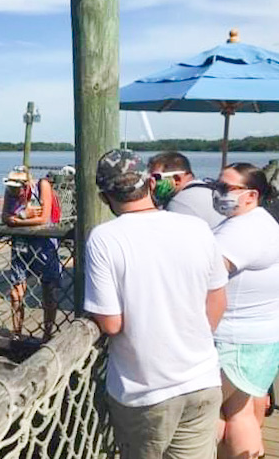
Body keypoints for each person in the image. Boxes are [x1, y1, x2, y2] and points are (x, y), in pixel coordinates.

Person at [85, 149, 228, 459]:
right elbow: (217, 297)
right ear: (151, 184)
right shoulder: (196, 227)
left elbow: (111, 323)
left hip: (146, 389)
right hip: (201, 377)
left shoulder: (104, 238)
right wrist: (192, 339)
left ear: (103, 196)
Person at [211, 163, 279, 459]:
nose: (217, 192)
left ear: (251, 195)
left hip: (233, 340)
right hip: (256, 338)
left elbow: (204, 273)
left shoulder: (244, 230)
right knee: (238, 411)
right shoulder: (261, 222)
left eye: (226, 188)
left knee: (201, 412)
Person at [1, 166, 61, 339]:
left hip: (44, 242)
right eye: (11, 187)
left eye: (16, 188)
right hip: (21, 243)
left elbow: (44, 218)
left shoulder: (42, 186)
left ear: (26, 184)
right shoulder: (9, 192)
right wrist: (24, 216)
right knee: (16, 290)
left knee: (48, 289)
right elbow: (5, 217)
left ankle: (47, 334)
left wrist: (16, 220)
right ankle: (17, 332)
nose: (14, 191)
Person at [148, 151, 224, 228]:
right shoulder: (207, 190)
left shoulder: (178, 204)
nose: (151, 183)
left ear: (177, 179)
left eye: (156, 178)